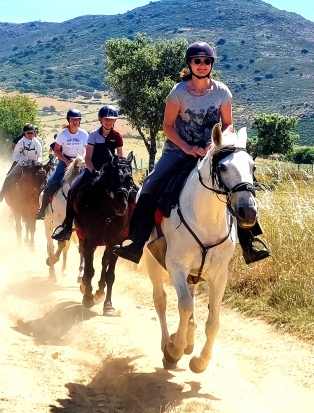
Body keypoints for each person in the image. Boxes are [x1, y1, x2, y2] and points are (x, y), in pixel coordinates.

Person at [113, 41, 269, 264]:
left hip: (212, 151)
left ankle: (249, 244)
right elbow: (167, 126)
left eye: (206, 61)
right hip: (177, 151)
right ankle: (136, 244)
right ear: (190, 64)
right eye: (197, 61)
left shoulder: (222, 92)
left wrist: (214, 145)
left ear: (211, 64)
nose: (202, 65)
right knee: (149, 186)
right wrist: (187, 147)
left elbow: (228, 125)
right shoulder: (178, 93)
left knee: (237, 185)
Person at [51, 105, 125, 240]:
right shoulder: (93, 135)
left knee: (129, 191)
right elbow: (88, 158)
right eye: (106, 119)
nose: (109, 122)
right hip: (93, 169)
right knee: (72, 190)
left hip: (110, 171)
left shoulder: (117, 136)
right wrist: (94, 172)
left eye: (112, 119)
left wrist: (120, 171)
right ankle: (67, 227)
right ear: (101, 120)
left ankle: (129, 228)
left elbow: (120, 157)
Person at [35, 109, 88, 219]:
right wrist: (67, 161)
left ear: (80, 121)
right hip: (65, 162)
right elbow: (57, 150)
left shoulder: (84, 134)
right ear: (68, 120)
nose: (75, 122)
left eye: (77, 120)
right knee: (51, 183)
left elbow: (87, 149)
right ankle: (43, 210)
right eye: (72, 119)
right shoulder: (62, 134)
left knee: (93, 182)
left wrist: (84, 160)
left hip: (81, 162)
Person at [0, 124, 42, 201]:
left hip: (34, 164)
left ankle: (44, 199)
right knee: (9, 176)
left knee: (43, 176)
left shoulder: (37, 143)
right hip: (22, 164)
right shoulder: (20, 142)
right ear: (24, 133)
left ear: (34, 133)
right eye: (28, 133)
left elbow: (40, 155)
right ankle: (1, 194)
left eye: (31, 133)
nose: (30, 135)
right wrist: (20, 162)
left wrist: (37, 162)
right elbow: (16, 154)